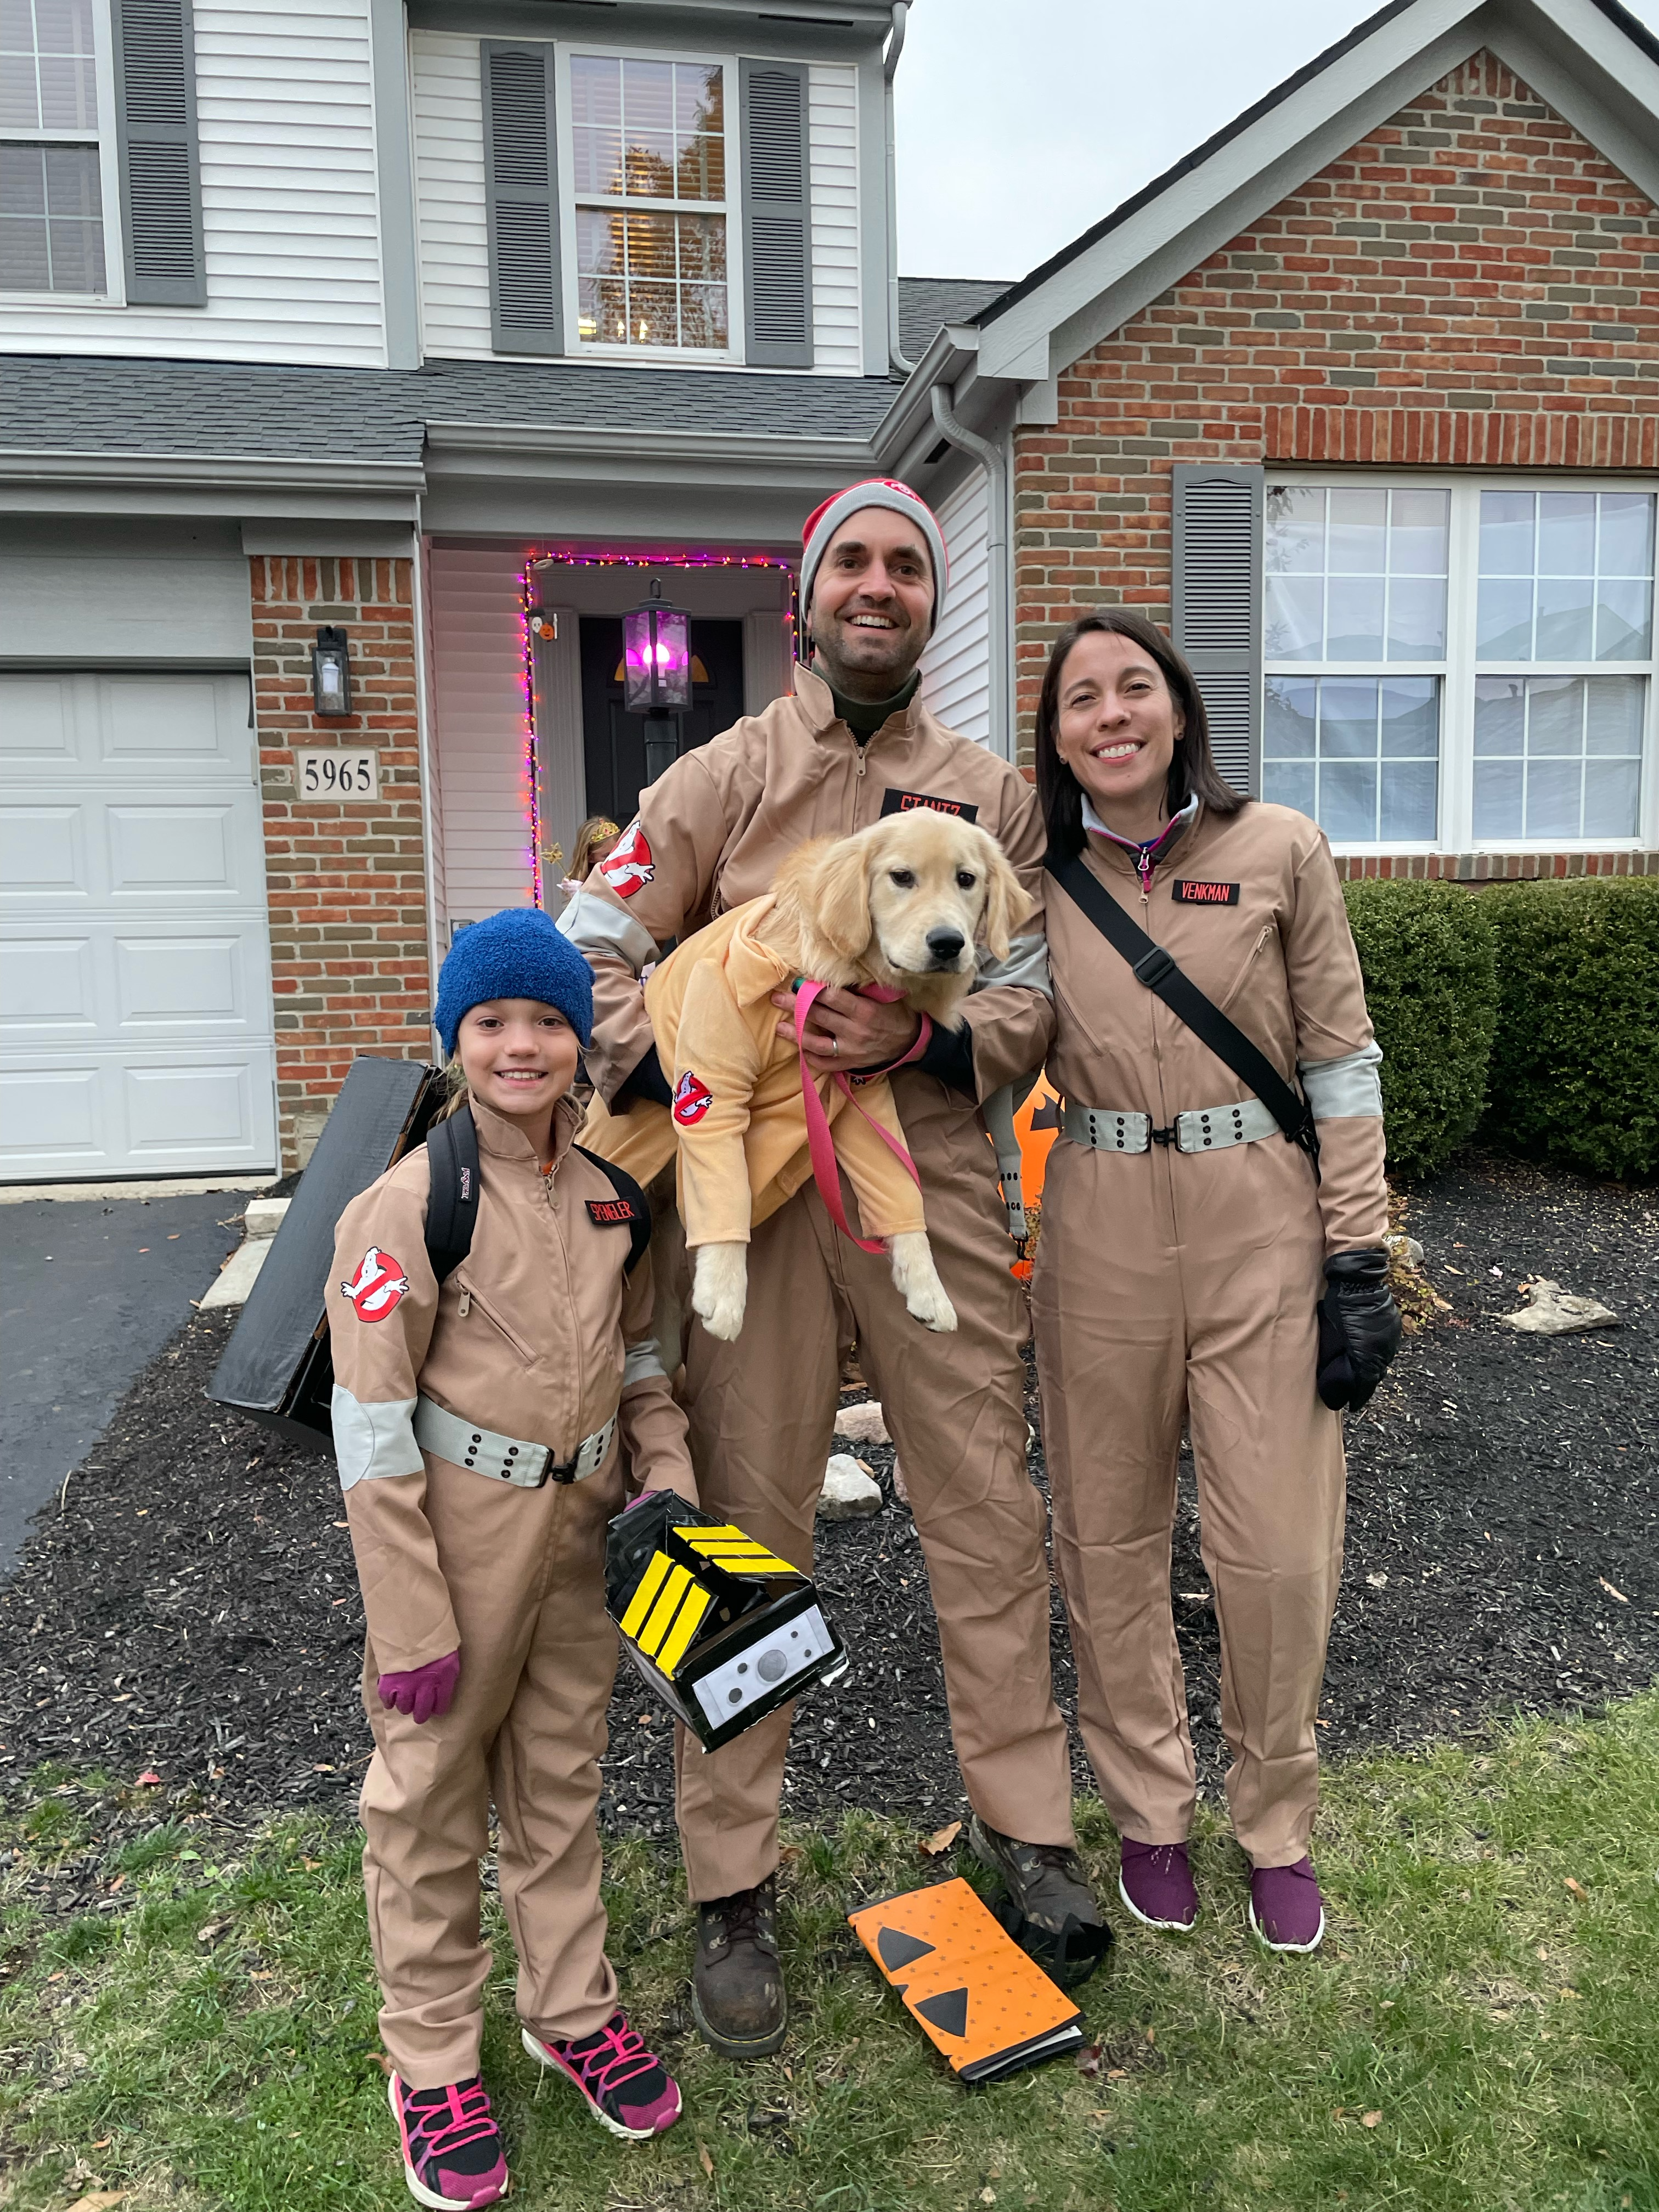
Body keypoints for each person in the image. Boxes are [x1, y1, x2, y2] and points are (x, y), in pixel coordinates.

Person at [558, 478, 1105, 2059]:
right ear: (808, 598)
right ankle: (733, 1882)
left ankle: (1026, 1834)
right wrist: (658, 1052)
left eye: (907, 568)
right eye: (853, 563)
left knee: (987, 1513)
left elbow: (1031, 1001)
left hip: (926, 1191)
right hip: (761, 1210)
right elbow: (594, 936)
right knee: (740, 1531)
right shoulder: (722, 776)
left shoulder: (990, 800)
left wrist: (924, 1030)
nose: (880, 587)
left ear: (933, 604)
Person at [1028, 609, 1402, 1955]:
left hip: (1261, 1219)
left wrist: (1357, 1249)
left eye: (1137, 687)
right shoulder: (1037, 875)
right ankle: (1147, 1810)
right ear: (1059, 737)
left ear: (1180, 711)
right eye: (1083, 699)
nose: (1113, 713)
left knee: (1277, 1545)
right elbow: (985, 1033)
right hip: (1100, 1218)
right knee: (1109, 1537)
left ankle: (1277, 1820)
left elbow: (1342, 1064)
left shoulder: (1279, 850)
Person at [328, 907, 695, 2209]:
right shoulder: (408, 1206)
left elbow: (644, 1360)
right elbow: (369, 1430)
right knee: (428, 1802)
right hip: (457, 1544)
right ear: (455, 1040)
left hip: (584, 1534)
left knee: (560, 1783)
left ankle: (569, 2008)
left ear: (579, 1045)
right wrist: (411, 1615)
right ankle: (430, 2062)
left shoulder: (610, 1199)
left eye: (547, 1020)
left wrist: (671, 1477)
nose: (522, 1045)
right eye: (492, 1023)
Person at [560, 815, 623, 901]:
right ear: (590, 858)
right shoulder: (583, 884)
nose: (614, 859)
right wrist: (581, 898)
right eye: (606, 856)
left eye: (618, 852)